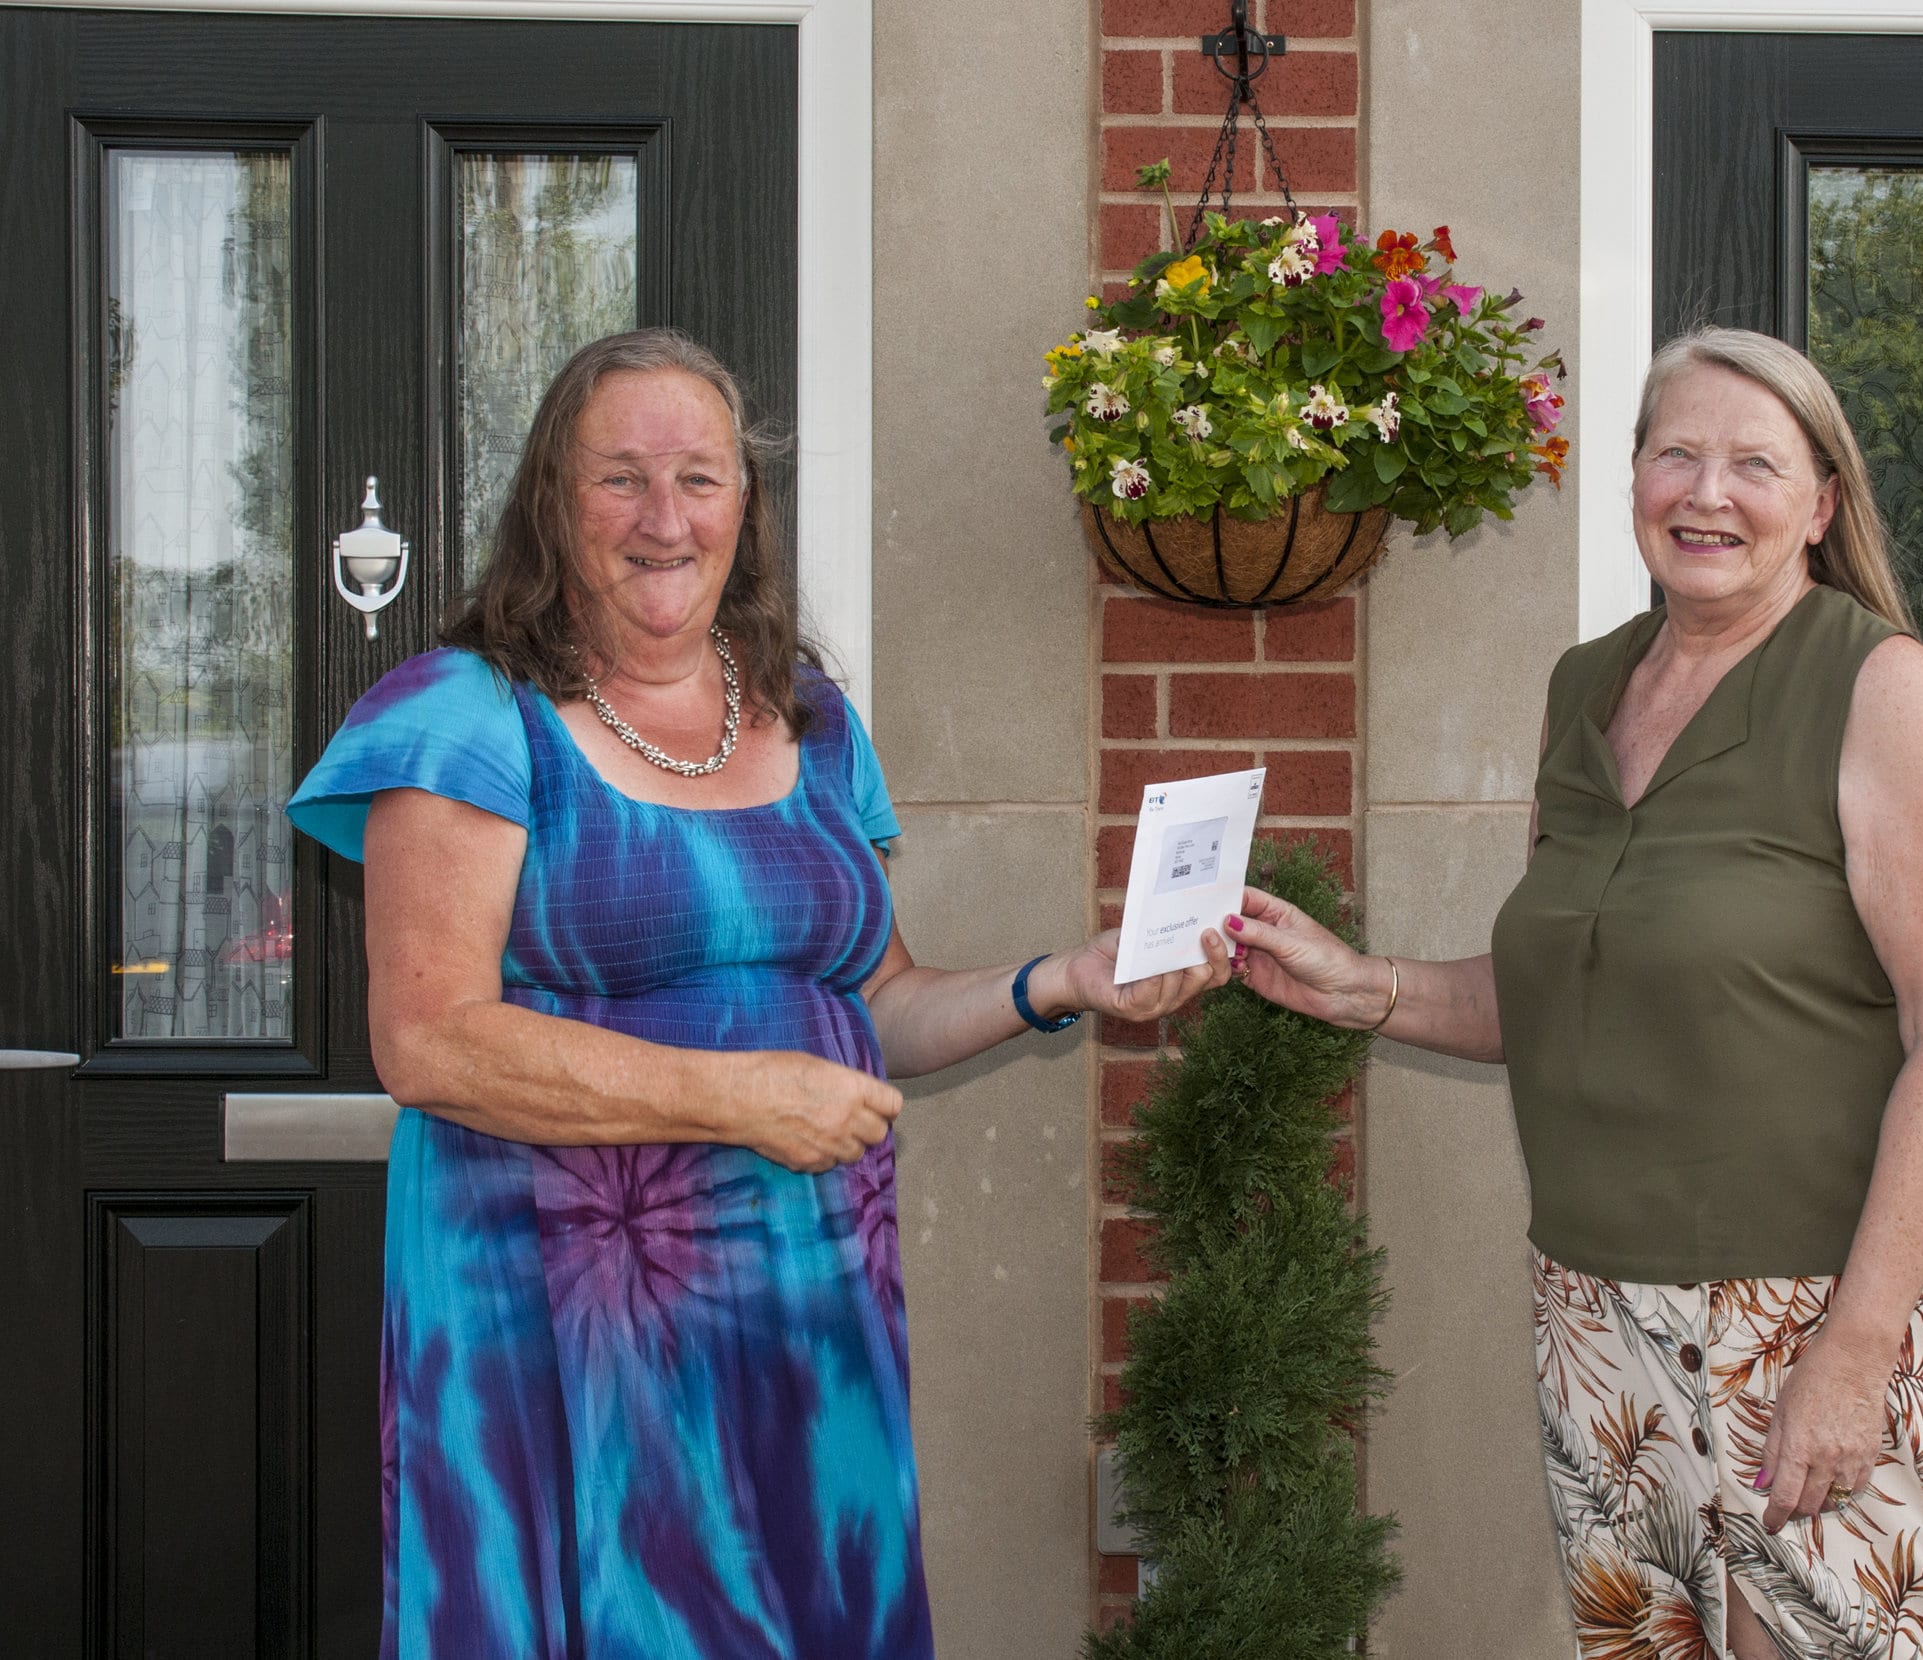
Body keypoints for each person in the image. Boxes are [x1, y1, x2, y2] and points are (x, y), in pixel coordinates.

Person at [287, 328, 1229, 1657]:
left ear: (748, 504)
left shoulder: (813, 716)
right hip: (568, 1311)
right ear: (555, 504)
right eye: (620, 478)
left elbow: (872, 1004)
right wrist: (737, 1101)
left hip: (809, 1304)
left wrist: (1055, 981)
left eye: (701, 478)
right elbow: (430, 1042)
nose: (664, 518)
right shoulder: (466, 715)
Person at [1224, 327, 1923, 1657]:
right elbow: (1567, 993)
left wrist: (1856, 1347)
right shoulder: (1586, 688)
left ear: (1822, 504)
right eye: (1676, 454)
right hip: (1593, 1314)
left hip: (1797, 1317)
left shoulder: (1873, 686)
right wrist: (1357, 986)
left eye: (1754, 464)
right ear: (1631, 482)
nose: (1707, 494)